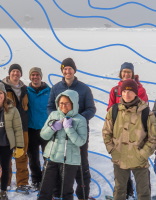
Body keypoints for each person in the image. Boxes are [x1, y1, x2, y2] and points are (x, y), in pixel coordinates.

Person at [46, 58, 96, 199]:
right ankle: (59, 194)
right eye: (65, 69)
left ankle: (83, 195)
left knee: (81, 164)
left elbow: (91, 109)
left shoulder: (84, 88)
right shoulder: (56, 88)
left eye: (70, 68)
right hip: (59, 132)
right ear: (62, 71)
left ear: (74, 70)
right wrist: (56, 120)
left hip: (78, 133)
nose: (67, 71)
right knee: (59, 163)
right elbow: (50, 107)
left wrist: (76, 120)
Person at [102, 79, 156, 200]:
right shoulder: (114, 110)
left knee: (143, 192)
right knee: (119, 191)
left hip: (139, 160)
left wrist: (143, 154)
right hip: (119, 158)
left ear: (136, 93)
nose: (126, 94)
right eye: (124, 91)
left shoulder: (146, 112)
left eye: (130, 91)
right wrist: (112, 150)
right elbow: (106, 132)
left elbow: (153, 137)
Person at [38, 89, 88, 200]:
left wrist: (69, 128)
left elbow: (81, 141)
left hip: (70, 161)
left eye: (67, 103)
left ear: (73, 104)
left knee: (65, 192)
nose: (63, 106)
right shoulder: (53, 115)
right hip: (52, 157)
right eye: (61, 103)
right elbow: (43, 135)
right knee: (45, 190)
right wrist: (52, 128)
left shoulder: (80, 120)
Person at [0, 64, 33, 194]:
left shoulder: (25, 88)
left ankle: (22, 183)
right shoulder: (2, 87)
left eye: (18, 71)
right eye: (13, 71)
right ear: (9, 73)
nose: (16, 74)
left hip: (22, 126)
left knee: (22, 155)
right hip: (7, 127)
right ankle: (5, 182)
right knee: (6, 155)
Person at [25, 67, 50, 190]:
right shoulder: (26, 91)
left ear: (41, 76)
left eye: (37, 75)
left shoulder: (49, 91)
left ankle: (47, 179)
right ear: (30, 77)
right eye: (33, 75)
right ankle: (36, 180)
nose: (35, 77)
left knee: (48, 156)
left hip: (46, 128)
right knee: (33, 157)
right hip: (31, 129)